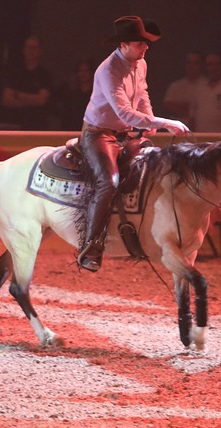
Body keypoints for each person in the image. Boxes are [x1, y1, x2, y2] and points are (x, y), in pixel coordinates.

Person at [77, 15, 189, 272]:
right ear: (124, 44)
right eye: (141, 43)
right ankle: (91, 247)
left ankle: (157, 232)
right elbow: (123, 112)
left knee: (158, 164)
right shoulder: (108, 70)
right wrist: (162, 122)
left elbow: (142, 93)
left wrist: (148, 120)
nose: (146, 47)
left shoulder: (140, 63)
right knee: (108, 182)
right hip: (99, 134)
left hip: (126, 134)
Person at [0, 34, 52, 130]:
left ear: (40, 51)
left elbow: (41, 100)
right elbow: (6, 100)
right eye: (28, 47)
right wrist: (32, 100)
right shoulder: (15, 72)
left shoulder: (44, 74)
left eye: (34, 47)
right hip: (16, 123)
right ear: (24, 50)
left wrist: (18, 95)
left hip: (38, 124)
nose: (30, 51)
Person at [162, 50, 206, 130]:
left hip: (202, 129)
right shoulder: (176, 86)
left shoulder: (207, 85)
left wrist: (183, 106)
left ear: (202, 65)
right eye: (189, 63)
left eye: (195, 63)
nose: (191, 66)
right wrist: (191, 112)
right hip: (178, 130)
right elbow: (168, 105)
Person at [54, 58, 94, 131]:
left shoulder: (96, 91)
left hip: (91, 128)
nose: (83, 74)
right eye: (80, 71)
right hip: (71, 127)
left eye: (86, 71)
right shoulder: (69, 90)